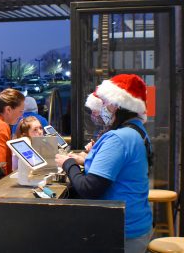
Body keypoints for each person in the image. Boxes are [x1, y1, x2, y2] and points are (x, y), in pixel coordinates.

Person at [55, 74, 153, 253]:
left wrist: (68, 163)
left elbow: (90, 188)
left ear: (120, 105)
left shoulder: (118, 138)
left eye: (108, 103)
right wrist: (87, 160)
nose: (104, 107)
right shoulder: (137, 131)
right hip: (137, 222)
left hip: (122, 230)